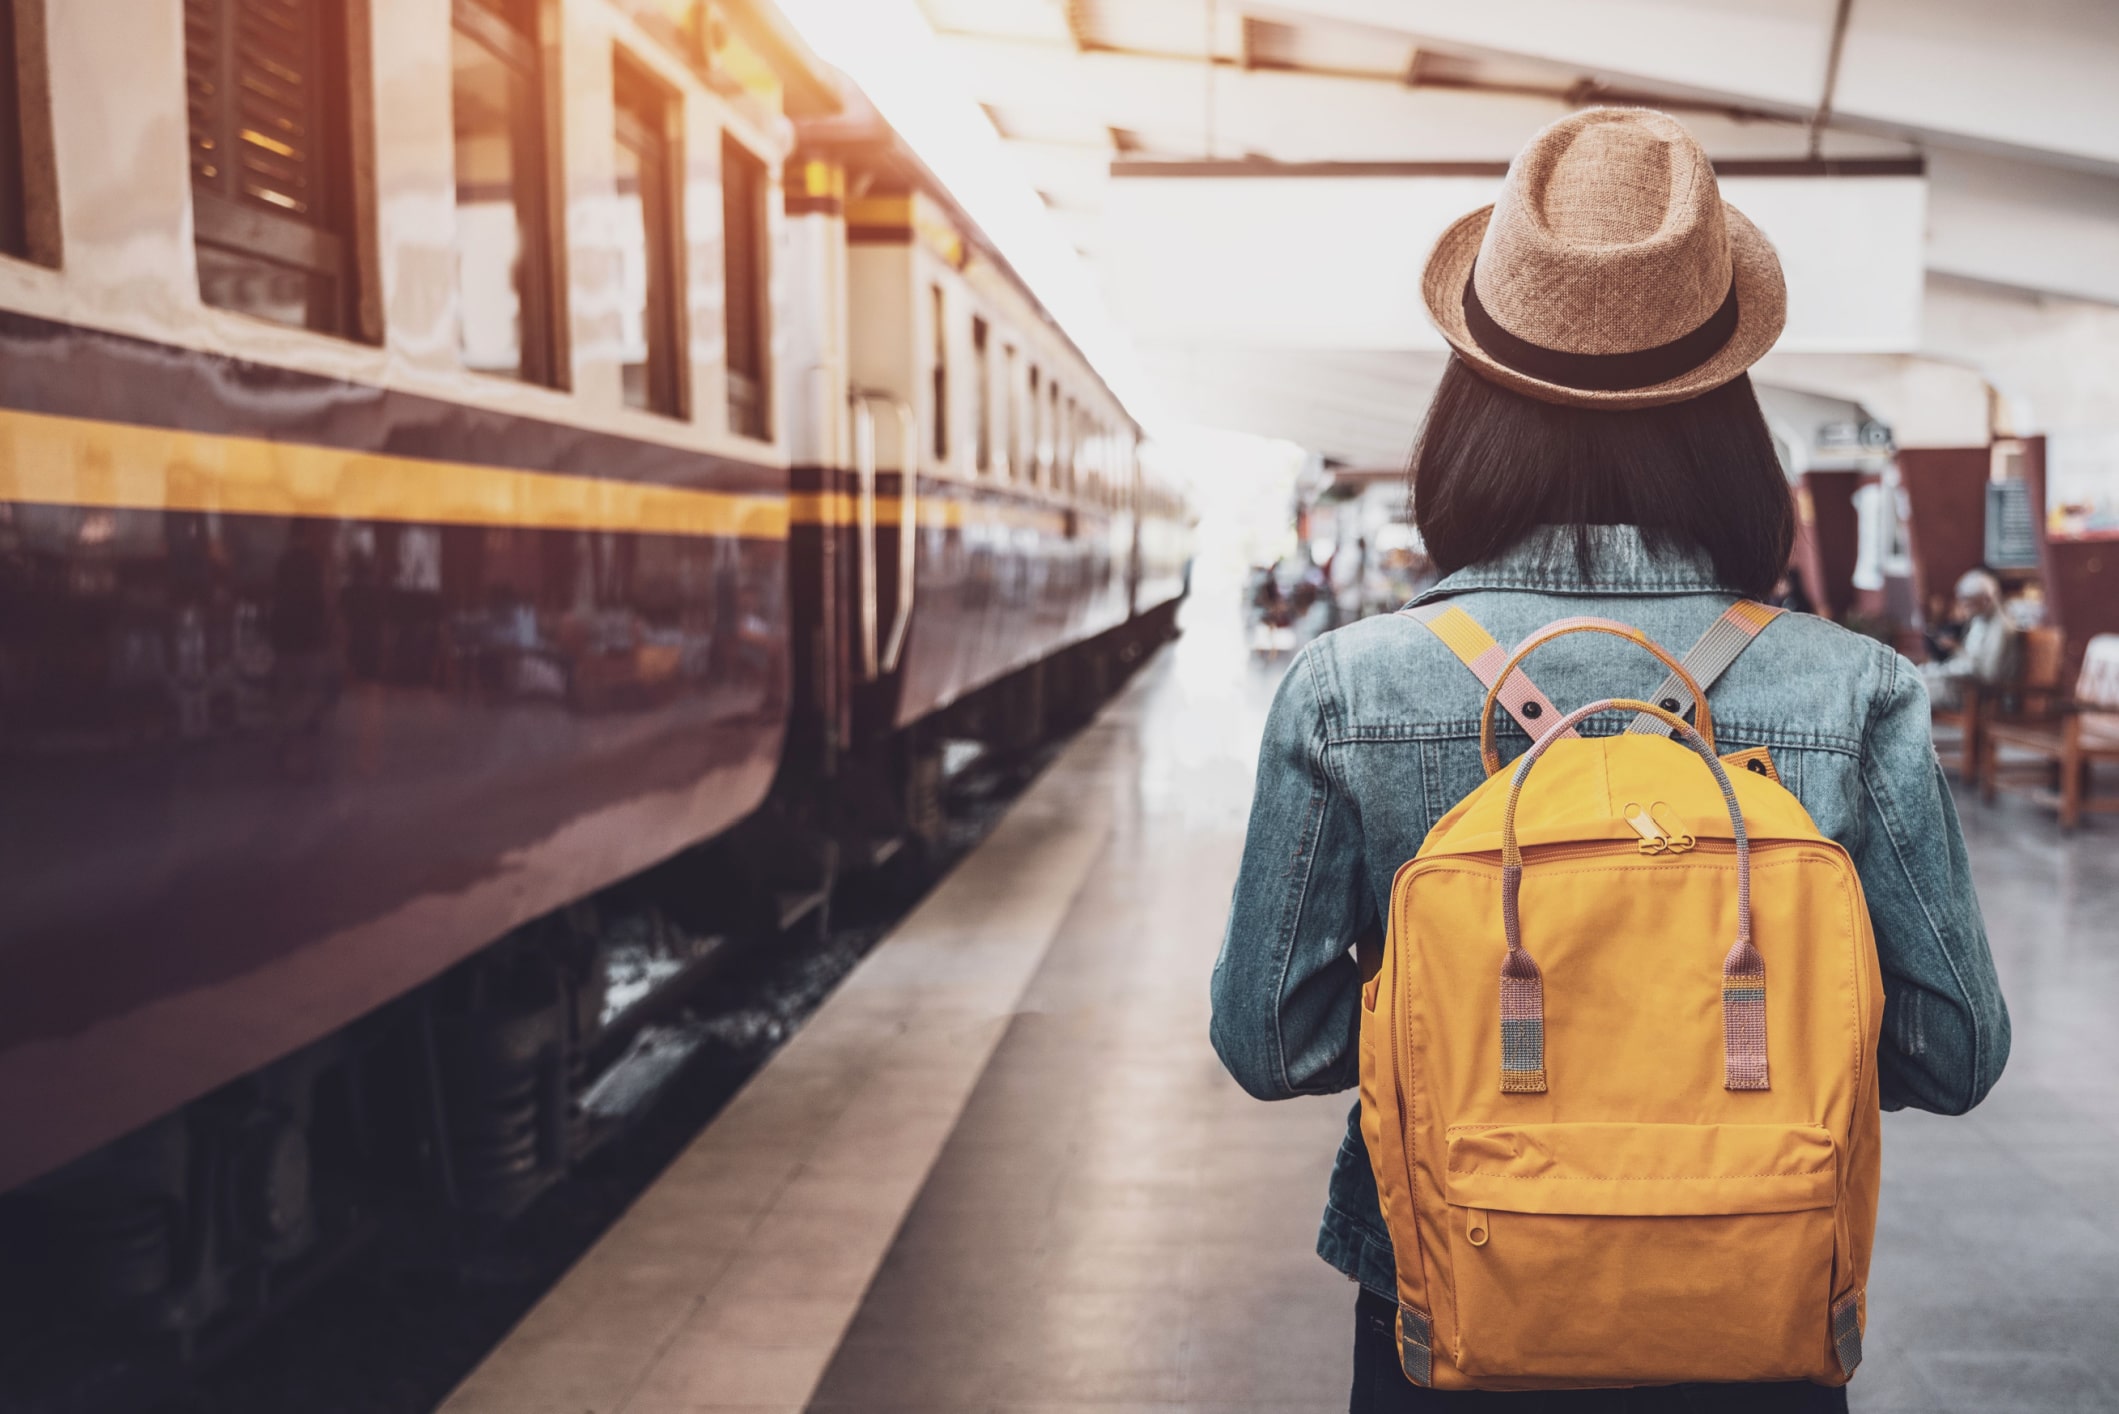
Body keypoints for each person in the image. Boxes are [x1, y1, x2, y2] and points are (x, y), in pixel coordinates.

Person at [1209, 108, 2009, 1412]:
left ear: (1466, 407)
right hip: (1749, 1297)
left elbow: (1267, 1036)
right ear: (1727, 415)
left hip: (1449, 1300)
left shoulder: (1348, 688)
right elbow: (1951, 1048)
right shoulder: (1852, 688)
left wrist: (1451, 1031)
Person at [1921, 568, 2020, 711]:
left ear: (1986, 600)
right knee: (1914, 679)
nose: (1965, 608)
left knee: (1914, 690)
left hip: (1982, 694)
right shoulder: (1978, 621)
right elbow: (1970, 660)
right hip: (1965, 685)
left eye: (1969, 603)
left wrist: (1956, 651)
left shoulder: (2002, 629)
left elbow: (1988, 674)